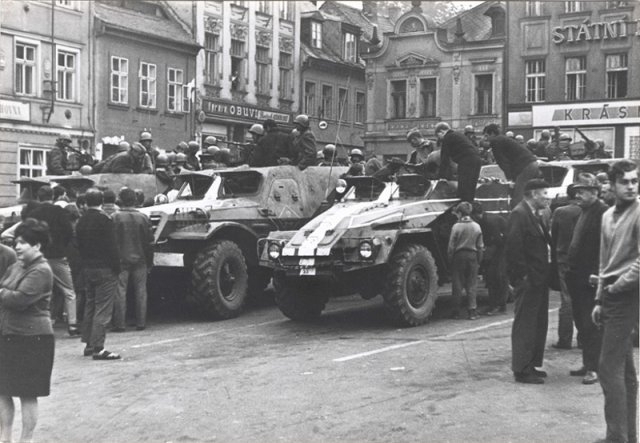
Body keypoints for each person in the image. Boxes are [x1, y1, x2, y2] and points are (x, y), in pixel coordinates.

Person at [591, 159, 639, 443]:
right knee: (625, 371)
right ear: (612, 185)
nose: (631, 187)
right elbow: (604, 260)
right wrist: (599, 298)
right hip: (610, 294)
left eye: (635, 181)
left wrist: (617, 287)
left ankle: (616, 438)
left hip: (627, 294)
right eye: (625, 182)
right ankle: (628, 436)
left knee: (608, 369)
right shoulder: (607, 215)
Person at [0, 218, 55, 443]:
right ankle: (5, 438)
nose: (18, 247)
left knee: (27, 394)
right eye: (17, 243)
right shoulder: (16, 267)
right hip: (9, 335)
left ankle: (26, 440)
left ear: (37, 245)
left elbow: (19, 300)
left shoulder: (41, 270)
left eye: (23, 243)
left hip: (33, 339)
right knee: (3, 390)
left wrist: (2, 292)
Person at [506, 179, 552, 384]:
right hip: (529, 280)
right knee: (525, 323)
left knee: (537, 323)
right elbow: (513, 246)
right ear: (533, 194)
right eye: (544, 193)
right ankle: (522, 370)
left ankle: (531, 364)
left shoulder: (534, 214)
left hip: (539, 278)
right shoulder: (520, 214)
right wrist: (522, 276)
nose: (547, 197)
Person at [565, 173, 607, 385]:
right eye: (576, 192)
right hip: (578, 276)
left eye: (581, 191)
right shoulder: (585, 211)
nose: (577, 195)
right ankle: (588, 363)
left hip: (591, 277)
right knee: (582, 322)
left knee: (592, 324)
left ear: (594, 192)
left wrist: (597, 273)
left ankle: (594, 368)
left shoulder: (602, 213)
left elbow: (605, 247)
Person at [27, 185, 80, 336]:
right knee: (69, 291)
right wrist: (62, 246)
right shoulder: (60, 212)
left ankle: (41, 324)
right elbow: (69, 231)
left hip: (39, 256)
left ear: (38, 197)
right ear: (53, 197)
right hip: (58, 255)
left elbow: (28, 233)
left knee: (40, 290)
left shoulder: (34, 213)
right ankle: (72, 325)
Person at [75, 189, 121, 360]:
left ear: (86, 202)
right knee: (103, 308)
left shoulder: (81, 221)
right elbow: (112, 247)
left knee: (90, 305)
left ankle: (88, 344)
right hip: (105, 268)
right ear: (101, 201)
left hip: (88, 267)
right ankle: (98, 348)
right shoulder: (105, 220)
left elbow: (78, 245)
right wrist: (117, 268)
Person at [111, 188, 154, 332]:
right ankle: (141, 322)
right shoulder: (143, 217)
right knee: (141, 290)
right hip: (140, 259)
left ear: (120, 200)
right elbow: (149, 242)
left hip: (120, 259)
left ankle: (119, 324)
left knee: (120, 291)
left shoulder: (114, 217)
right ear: (135, 200)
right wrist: (150, 261)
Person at [549, 185, 581, 350]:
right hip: (583, 260)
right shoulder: (587, 210)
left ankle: (565, 339)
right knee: (584, 298)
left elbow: (553, 236)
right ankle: (583, 338)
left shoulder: (560, 212)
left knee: (567, 299)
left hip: (564, 258)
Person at [483, 123, 541, 208]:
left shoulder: (496, 141)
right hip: (533, 164)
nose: (485, 138)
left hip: (525, 166)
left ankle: (518, 213)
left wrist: (509, 178)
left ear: (492, 133)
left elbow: (502, 162)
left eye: (486, 135)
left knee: (518, 196)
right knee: (528, 193)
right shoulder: (503, 139)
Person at [448, 201, 484, 320]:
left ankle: (456, 311)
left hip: (459, 256)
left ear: (459, 213)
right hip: (473, 256)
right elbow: (480, 246)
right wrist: (479, 260)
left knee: (457, 284)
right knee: (472, 284)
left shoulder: (456, 227)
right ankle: (472, 311)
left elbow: (451, 247)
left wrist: (450, 259)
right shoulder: (476, 226)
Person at [471, 202, 508, 316]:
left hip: (500, 250)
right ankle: (497, 305)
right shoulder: (485, 220)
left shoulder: (489, 222)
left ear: (475, 215)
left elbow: (497, 240)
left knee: (496, 277)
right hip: (497, 249)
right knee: (495, 277)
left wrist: (487, 252)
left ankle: (497, 305)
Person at [435, 122, 482, 202]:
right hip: (476, 160)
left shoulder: (447, 137)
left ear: (441, 132)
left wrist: (441, 177)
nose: (439, 139)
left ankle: (463, 206)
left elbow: (444, 159)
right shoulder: (458, 135)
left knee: (463, 190)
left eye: (438, 136)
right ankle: (469, 205)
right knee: (471, 189)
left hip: (466, 161)